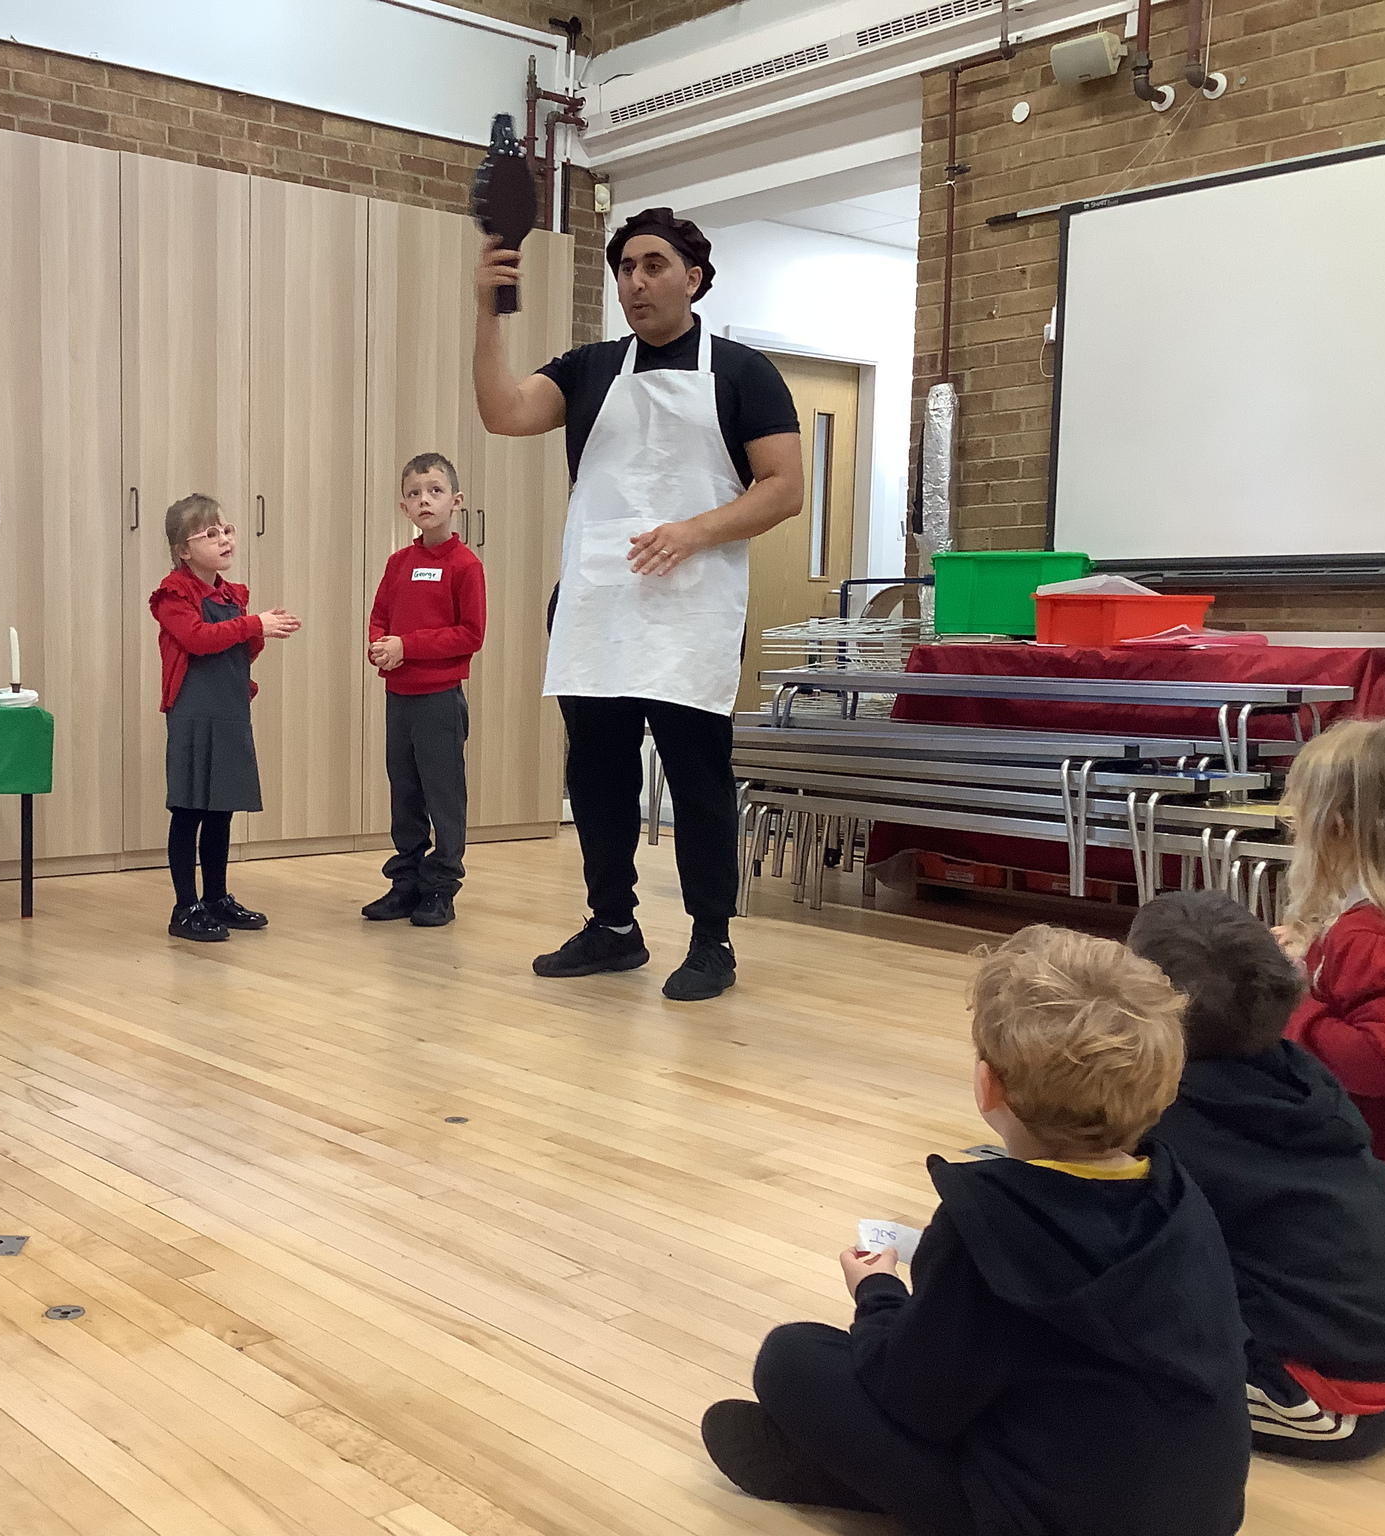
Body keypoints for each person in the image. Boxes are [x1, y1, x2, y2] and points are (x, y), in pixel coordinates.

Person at [701, 925, 1251, 1536]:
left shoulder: (985, 1228)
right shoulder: (1180, 1195)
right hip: (1204, 1513)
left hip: (1044, 1519)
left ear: (988, 1085)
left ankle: (836, 1473)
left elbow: (914, 1399)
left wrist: (877, 1294)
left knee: (792, 1357)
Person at [473, 207, 803, 1001]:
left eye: (653, 266)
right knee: (597, 775)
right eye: (625, 268)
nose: (635, 282)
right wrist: (487, 314)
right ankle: (613, 927)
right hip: (599, 602)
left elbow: (785, 488)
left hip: (691, 609)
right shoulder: (589, 369)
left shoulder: (744, 372)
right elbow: (503, 412)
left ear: (693, 277)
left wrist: (694, 530)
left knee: (697, 778)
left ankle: (712, 940)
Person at [1130, 891, 1385, 1462]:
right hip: (1381, 1356)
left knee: (1083, 1351)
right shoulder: (1304, 1077)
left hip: (1325, 1400)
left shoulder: (1171, 1119)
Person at [150, 493, 301, 943]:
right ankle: (185, 907)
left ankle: (215, 897)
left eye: (227, 530)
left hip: (230, 710)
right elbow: (197, 639)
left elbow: (237, 651)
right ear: (183, 549)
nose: (225, 539)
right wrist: (254, 626)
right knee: (190, 810)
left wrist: (258, 632)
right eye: (211, 534)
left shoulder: (231, 594)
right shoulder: (173, 594)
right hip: (194, 714)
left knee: (221, 809)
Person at [1279, 718, 1385, 1195]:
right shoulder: (1378, 921)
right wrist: (1311, 952)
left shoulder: (1366, 936)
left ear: (1335, 827)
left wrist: (1296, 1002)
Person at [362, 453, 487, 929]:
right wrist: (380, 647)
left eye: (435, 491)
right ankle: (407, 882)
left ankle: (441, 887)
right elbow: (380, 617)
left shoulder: (464, 565)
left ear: (456, 501)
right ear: (404, 508)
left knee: (443, 794)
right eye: (414, 494)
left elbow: (470, 634)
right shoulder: (399, 563)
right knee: (405, 792)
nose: (424, 500)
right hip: (400, 698)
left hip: (439, 699)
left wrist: (407, 646)